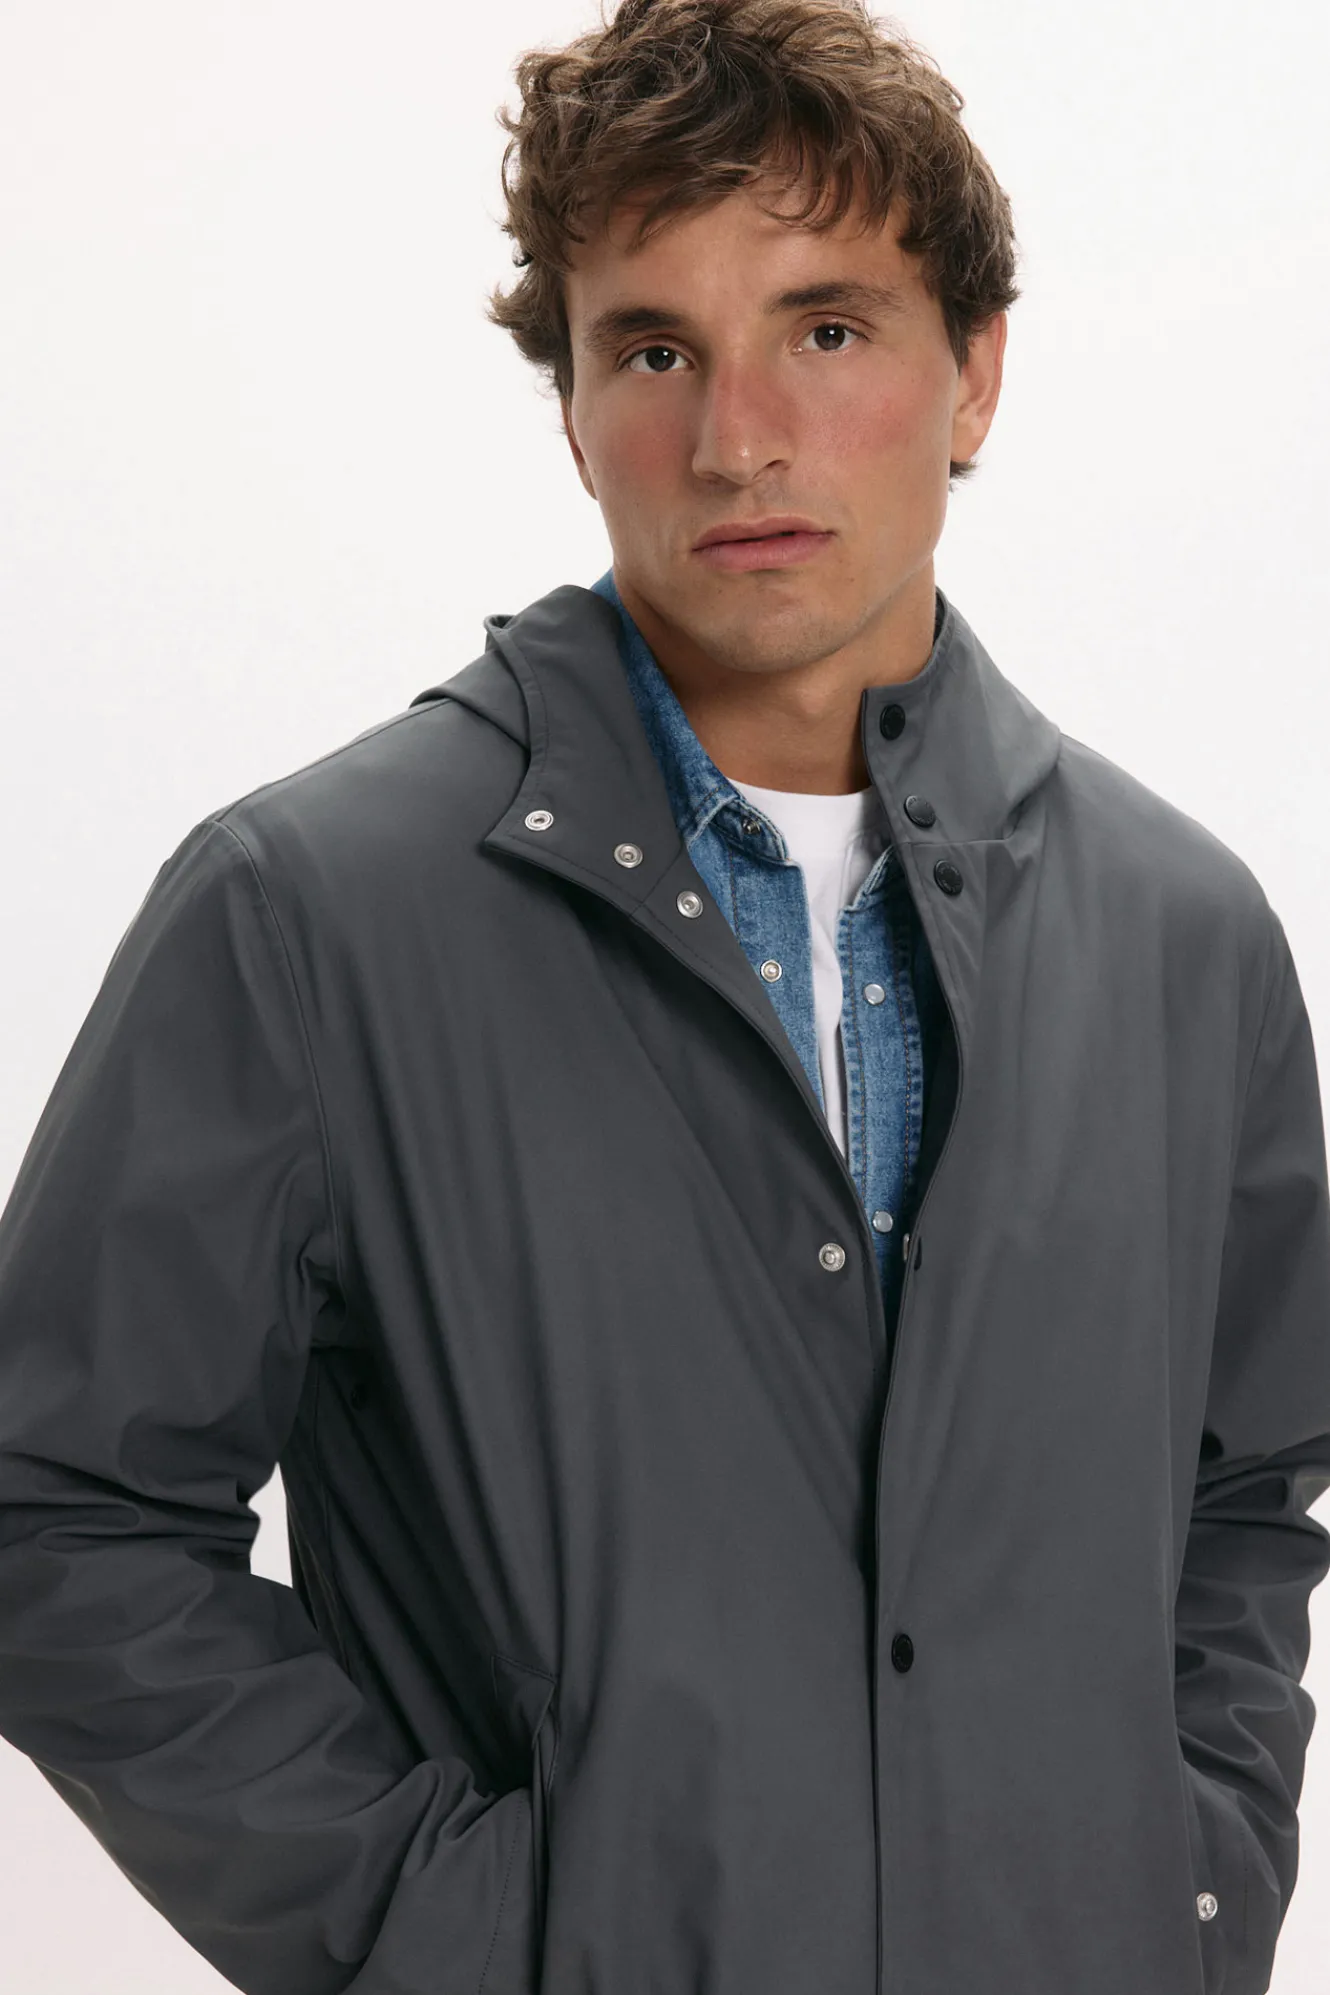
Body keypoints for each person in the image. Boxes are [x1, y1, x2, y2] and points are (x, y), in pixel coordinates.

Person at [1, 2, 1327, 1991]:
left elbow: (1246, 1486)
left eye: (824, 328)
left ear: (973, 372)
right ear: (571, 408)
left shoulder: (1181, 934)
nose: (734, 439)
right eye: (650, 350)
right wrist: (464, 1935)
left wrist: (1190, 1885)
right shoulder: (307, 916)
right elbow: (58, 1509)